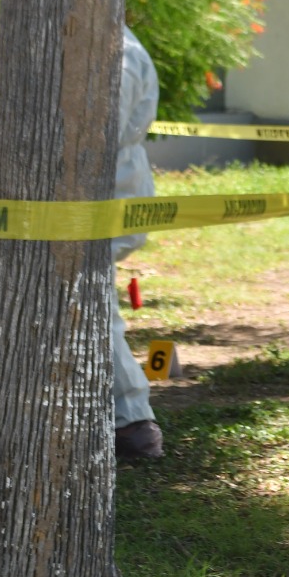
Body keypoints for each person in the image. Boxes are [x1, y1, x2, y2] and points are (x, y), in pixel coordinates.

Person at [112, 25, 164, 459]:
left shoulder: (118, 53)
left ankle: (131, 418)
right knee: (82, 302)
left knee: (86, 302)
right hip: (104, 194)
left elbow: (99, 131)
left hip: (110, 197)